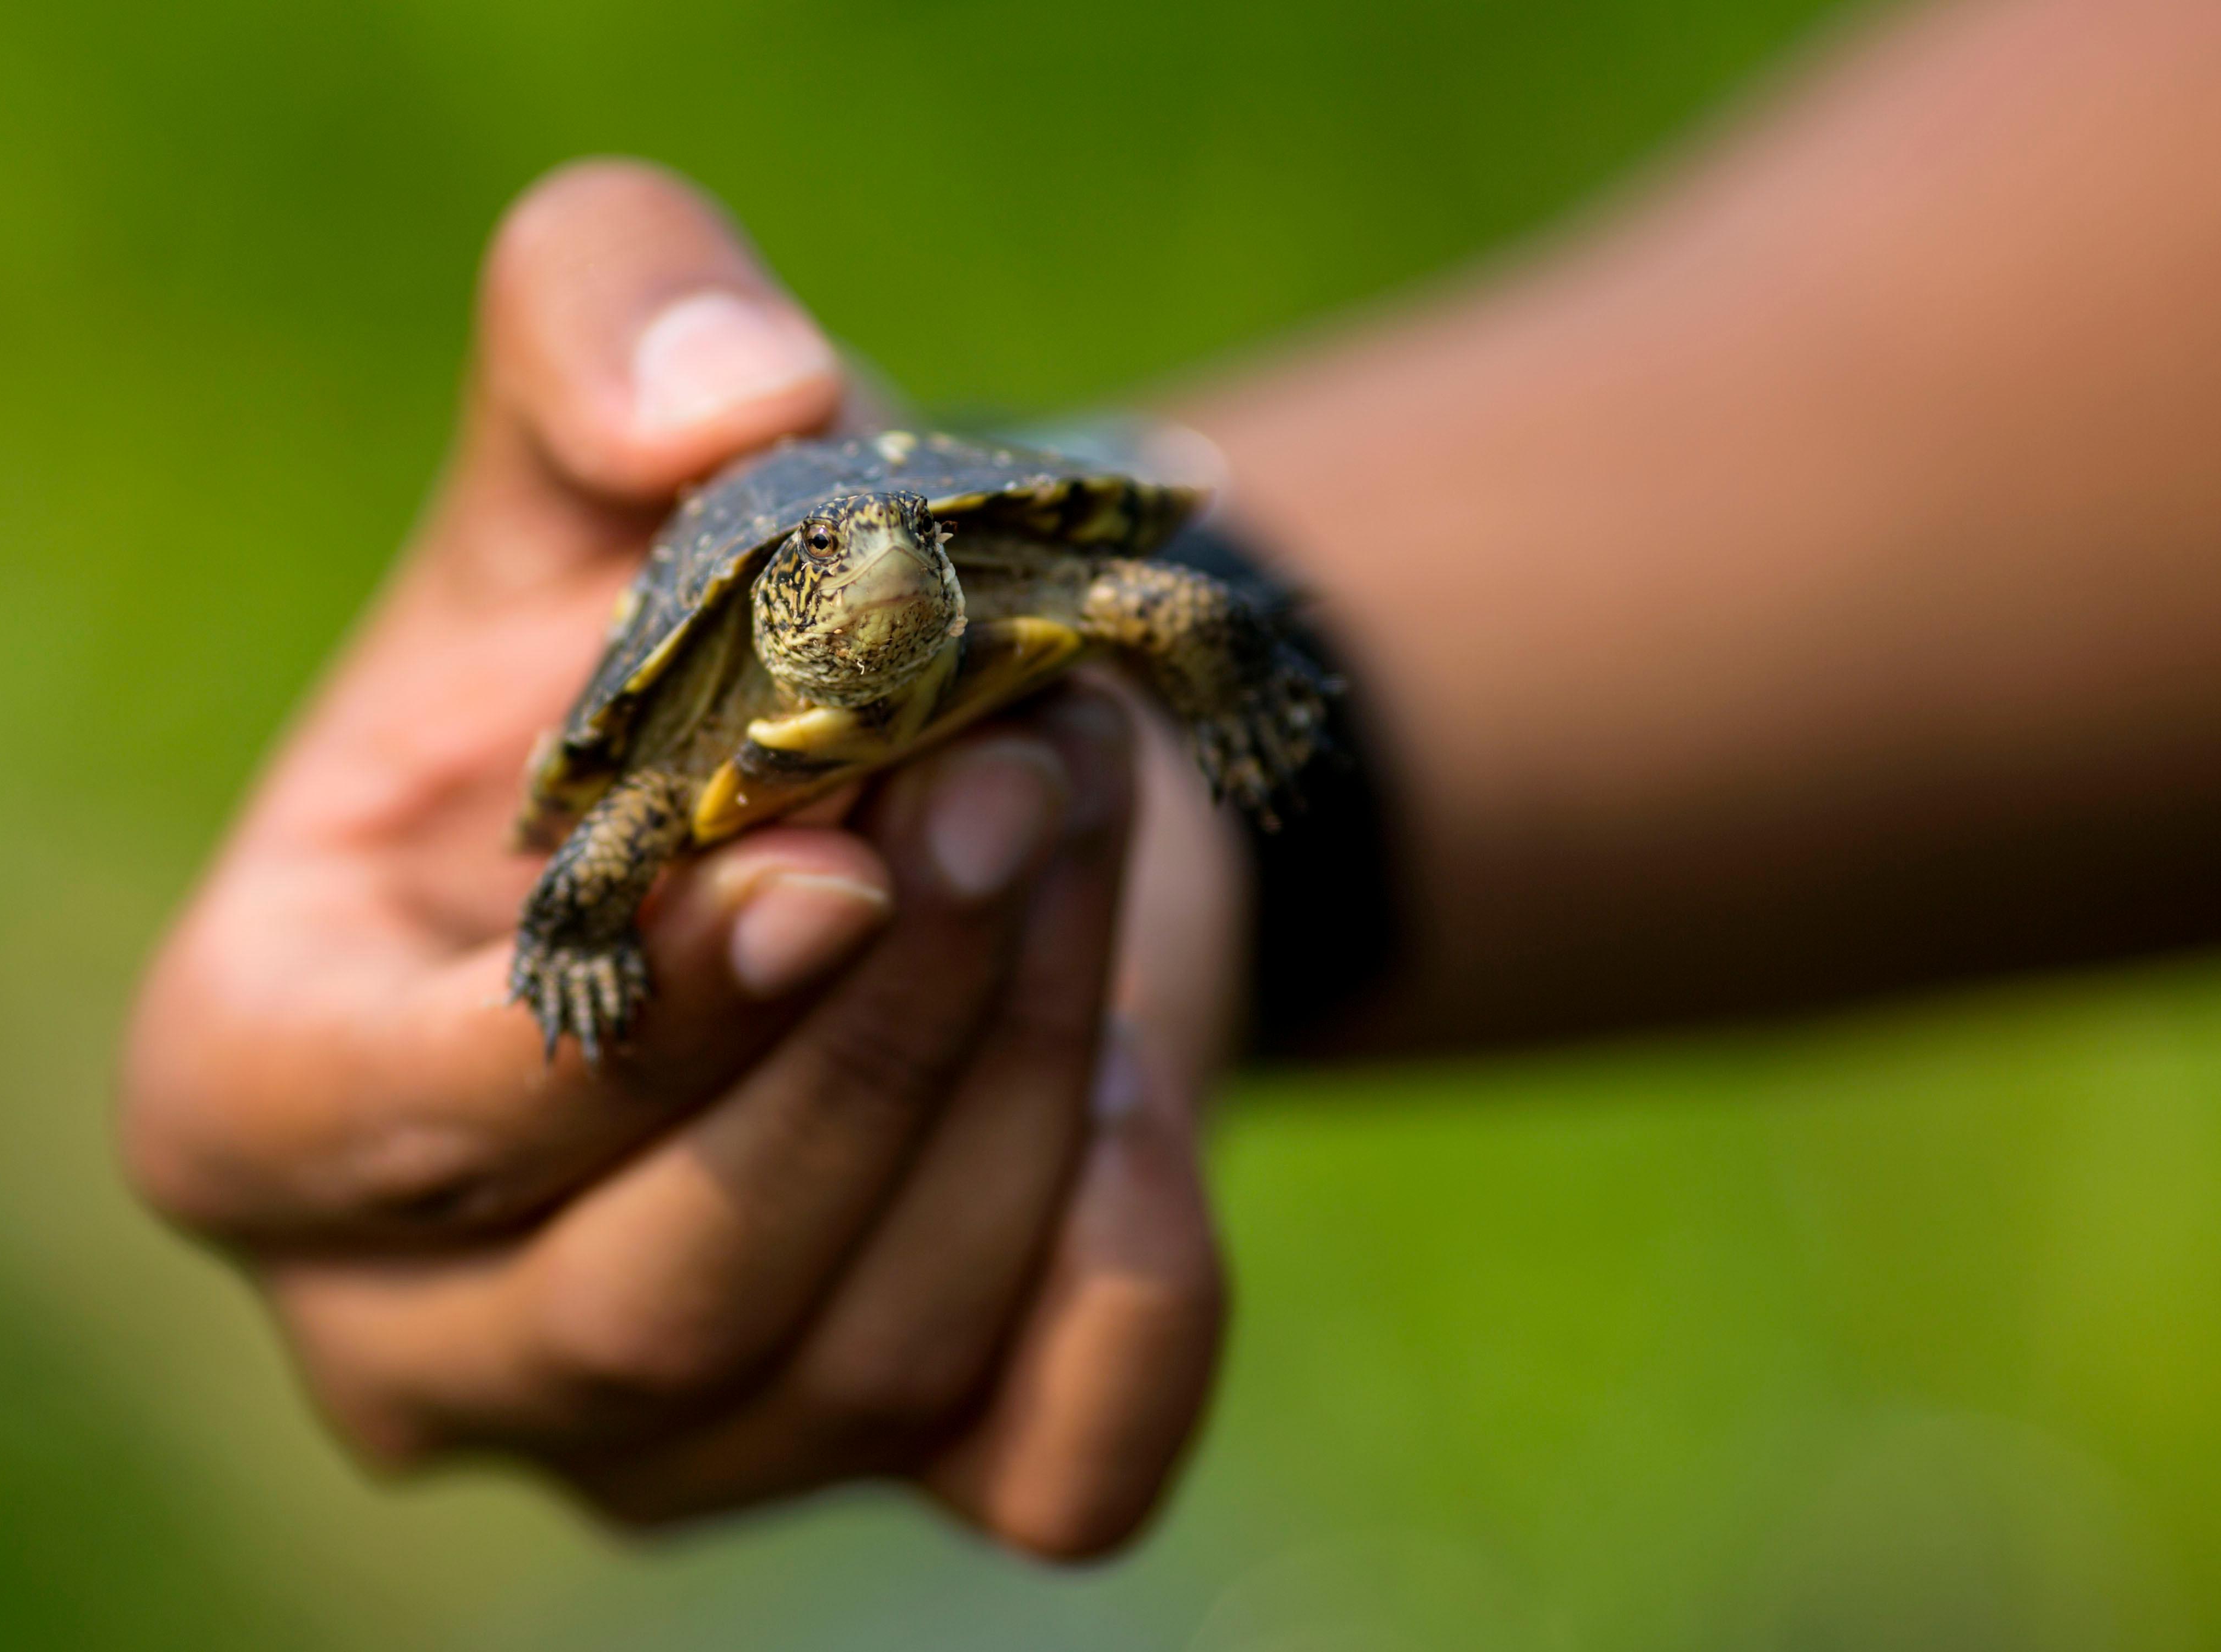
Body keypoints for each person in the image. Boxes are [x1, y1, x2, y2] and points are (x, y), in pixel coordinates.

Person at [121, 0, 2221, 1561]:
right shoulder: (691, 738)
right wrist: (573, 939)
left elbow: (1157, 601)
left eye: (915, 556)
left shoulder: (1014, 583)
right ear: (778, 614)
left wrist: (1244, 704)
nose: (893, 586)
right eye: (854, 572)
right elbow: (601, 841)